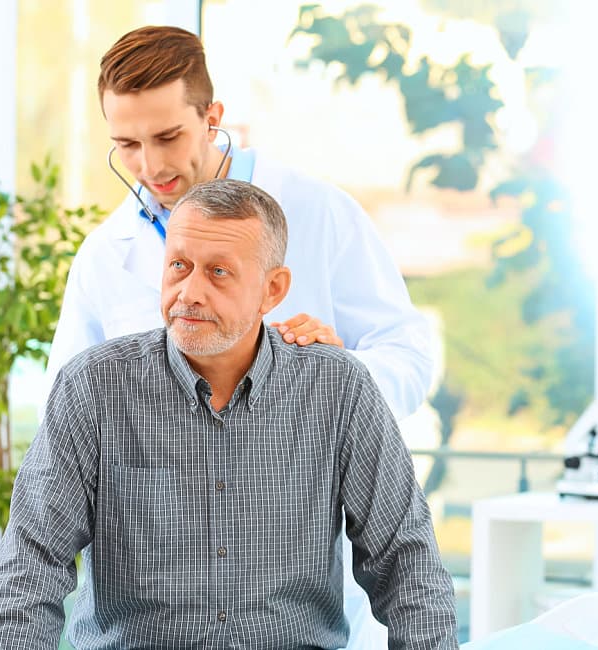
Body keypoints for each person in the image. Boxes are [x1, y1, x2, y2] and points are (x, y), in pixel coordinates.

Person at [46, 27, 436, 644]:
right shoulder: (103, 257)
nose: (150, 167)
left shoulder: (318, 213)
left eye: (168, 137)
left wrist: (345, 379)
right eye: (127, 145)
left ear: (212, 118)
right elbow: (62, 424)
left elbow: (410, 353)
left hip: (292, 602)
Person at [0, 179, 458, 649]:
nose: (190, 292)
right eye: (179, 266)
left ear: (273, 290)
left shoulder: (338, 389)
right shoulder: (93, 387)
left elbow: (406, 563)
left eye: (218, 273)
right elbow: (31, 564)